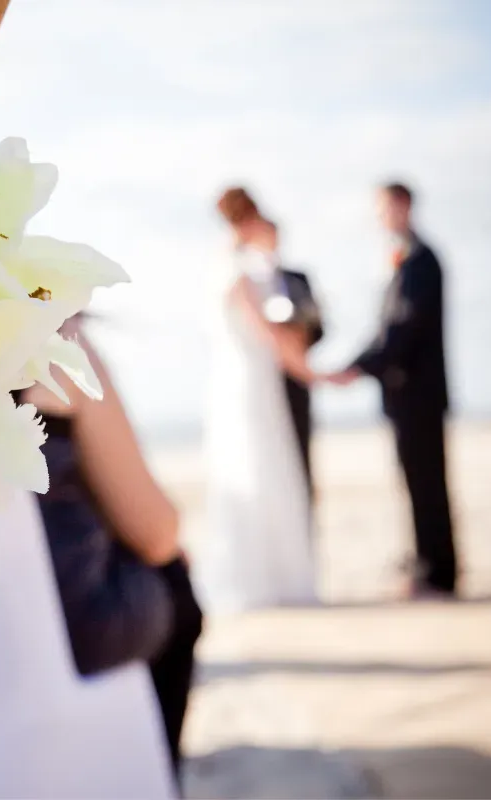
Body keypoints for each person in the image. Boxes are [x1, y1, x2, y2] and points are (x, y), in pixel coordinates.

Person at [23, 318, 203, 780]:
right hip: (70, 628)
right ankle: (156, 780)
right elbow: (155, 531)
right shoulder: (50, 339)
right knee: (174, 580)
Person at [324, 182, 457, 598]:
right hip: (402, 393)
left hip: (420, 393)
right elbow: (387, 329)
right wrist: (360, 364)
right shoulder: (403, 259)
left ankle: (439, 571)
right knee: (415, 481)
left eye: (383, 208)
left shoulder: (421, 260)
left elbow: (402, 328)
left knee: (428, 482)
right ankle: (425, 562)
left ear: (404, 206)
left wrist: (359, 366)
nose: (379, 217)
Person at [196, 187, 317, 615]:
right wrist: (308, 370)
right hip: (249, 377)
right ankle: (267, 576)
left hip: (240, 378)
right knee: (259, 467)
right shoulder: (238, 268)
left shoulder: (223, 263)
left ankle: (265, 575)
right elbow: (264, 331)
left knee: (256, 466)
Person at [216, 188, 324, 497]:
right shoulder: (241, 272)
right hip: (261, 376)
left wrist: (303, 340)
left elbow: (316, 327)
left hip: (287, 380)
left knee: (294, 464)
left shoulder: (295, 276)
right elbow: (264, 331)